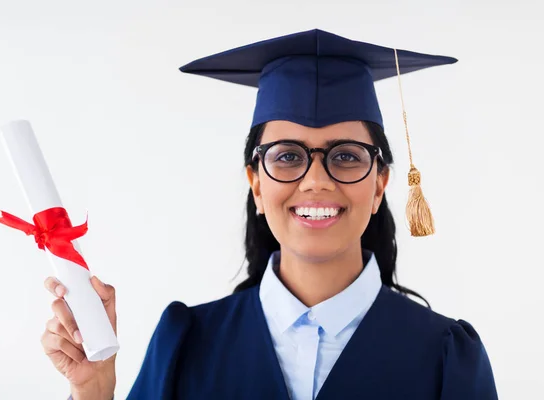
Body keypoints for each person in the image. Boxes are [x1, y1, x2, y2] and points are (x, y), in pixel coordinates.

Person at [40, 29, 498, 400]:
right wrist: (95, 392)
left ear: (379, 184)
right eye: (287, 157)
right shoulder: (187, 343)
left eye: (346, 156)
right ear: (256, 184)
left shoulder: (445, 357)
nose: (316, 180)